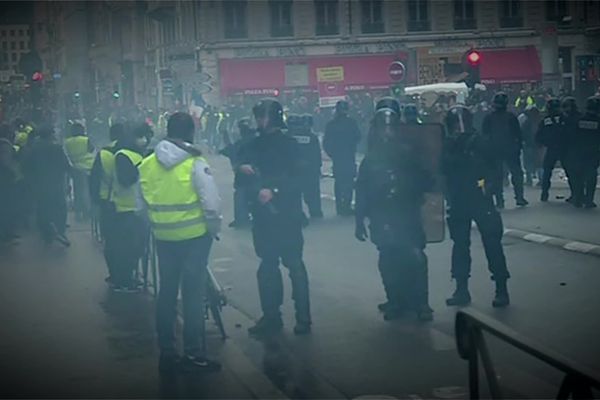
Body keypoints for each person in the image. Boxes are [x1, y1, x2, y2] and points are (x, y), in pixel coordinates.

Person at [139, 112, 222, 374]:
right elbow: (211, 203)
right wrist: (213, 229)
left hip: (164, 237)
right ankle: (195, 352)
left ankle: (167, 351)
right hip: (195, 237)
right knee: (192, 294)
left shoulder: (147, 163)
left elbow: (139, 207)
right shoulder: (195, 162)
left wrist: (157, 224)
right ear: (190, 133)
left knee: (166, 293)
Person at [239, 98, 312, 336]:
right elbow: (240, 183)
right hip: (263, 217)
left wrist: (275, 190)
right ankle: (271, 317)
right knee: (267, 266)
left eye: (263, 116)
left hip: (287, 214)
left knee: (294, 265)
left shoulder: (290, 145)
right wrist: (247, 175)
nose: (259, 121)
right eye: (257, 116)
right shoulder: (253, 145)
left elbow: (300, 177)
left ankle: (304, 318)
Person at [355, 106, 433, 321]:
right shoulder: (371, 159)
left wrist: (412, 188)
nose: (387, 132)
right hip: (383, 215)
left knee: (415, 256)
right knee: (389, 259)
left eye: (391, 128)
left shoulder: (409, 153)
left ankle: (421, 303)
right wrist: (359, 219)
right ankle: (396, 300)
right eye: (383, 128)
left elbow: (427, 179)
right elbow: (361, 189)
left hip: (407, 212)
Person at [443, 105, 511, 308]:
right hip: (461, 200)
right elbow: (440, 170)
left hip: (477, 199)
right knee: (462, 246)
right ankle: (462, 289)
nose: (458, 128)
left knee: (490, 244)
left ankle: (501, 288)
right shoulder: (450, 145)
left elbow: (496, 169)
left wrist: (489, 189)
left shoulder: (479, 143)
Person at [110, 123, 148, 292]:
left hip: (135, 209)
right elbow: (126, 179)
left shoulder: (133, 154)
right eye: (142, 137)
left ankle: (128, 277)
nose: (145, 140)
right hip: (126, 208)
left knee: (135, 247)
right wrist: (143, 166)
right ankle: (124, 280)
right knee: (128, 248)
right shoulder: (123, 155)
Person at [89, 123, 124, 286]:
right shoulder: (132, 153)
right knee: (127, 241)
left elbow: (94, 178)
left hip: (106, 202)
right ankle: (127, 274)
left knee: (110, 240)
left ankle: (115, 274)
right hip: (128, 204)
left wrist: (95, 200)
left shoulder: (103, 154)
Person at [482, 92, 528, 208]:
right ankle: (519, 197)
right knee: (516, 174)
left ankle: (500, 200)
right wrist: (518, 146)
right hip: (510, 149)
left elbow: (485, 135)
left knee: (497, 176)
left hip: (496, 150)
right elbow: (518, 134)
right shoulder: (510, 116)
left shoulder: (489, 117)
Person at [26, 125, 70, 246]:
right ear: (51, 135)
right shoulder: (57, 148)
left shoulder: (33, 149)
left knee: (42, 209)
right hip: (56, 184)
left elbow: (27, 167)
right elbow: (66, 165)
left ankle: (46, 233)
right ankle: (60, 231)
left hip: (40, 185)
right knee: (60, 207)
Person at [323, 100, 361, 216]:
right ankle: (347, 205)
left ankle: (340, 207)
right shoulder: (351, 123)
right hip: (348, 156)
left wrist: (332, 154)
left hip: (338, 157)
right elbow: (358, 137)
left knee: (339, 182)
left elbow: (326, 143)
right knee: (349, 182)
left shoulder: (331, 124)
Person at [219, 118, 256, 228]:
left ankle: (241, 218)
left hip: (245, 178)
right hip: (252, 177)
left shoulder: (242, 142)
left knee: (240, 194)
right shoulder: (255, 140)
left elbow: (231, 151)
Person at [288, 114, 323, 219]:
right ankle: (316, 212)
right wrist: (317, 167)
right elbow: (316, 154)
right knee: (313, 193)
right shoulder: (311, 137)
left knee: (295, 193)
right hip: (310, 169)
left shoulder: (288, 137)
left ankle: (296, 213)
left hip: (295, 169)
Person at [570, 96, 600, 208]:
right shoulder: (598, 121)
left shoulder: (579, 120)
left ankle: (578, 199)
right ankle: (589, 200)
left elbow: (572, 136)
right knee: (591, 176)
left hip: (579, 152)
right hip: (593, 152)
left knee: (579, 176)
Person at [535, 98, 566, 201]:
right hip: (563, 147)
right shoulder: (564, 118)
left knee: (547, 171)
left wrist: (542, 144)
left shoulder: (545, 120)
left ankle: (544, 193)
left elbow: (539, 135)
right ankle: (577, 194)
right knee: (571, 171)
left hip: (552, 148)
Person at [64, 122, 95, 220]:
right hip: (89, 168)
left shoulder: (67, 142)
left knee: (78, 192)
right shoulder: (86, 140)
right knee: (87, 191)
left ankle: (78, 212)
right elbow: (91, 149)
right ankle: (87, 212)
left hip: (76, 168)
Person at [0, 124, 19, 243]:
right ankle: (6, 234)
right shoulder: (5, 145)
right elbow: (5, 162)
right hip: (5, 179)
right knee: (7, 207)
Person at [561, 97, 581, 204]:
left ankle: (577, 195)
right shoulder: (579, 117)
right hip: (573, 149)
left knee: (574, 174)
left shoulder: (569, 119)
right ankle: (577, 194)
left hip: (572, 149)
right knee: (574, 174)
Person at [518, 105, 542, 187]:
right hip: (538, 145)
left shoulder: (527, 122)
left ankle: (529, 180)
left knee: (528, 163)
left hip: (528, 145)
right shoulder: (540, 121)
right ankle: (541, 180)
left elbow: (522, 133)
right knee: (539, 163)